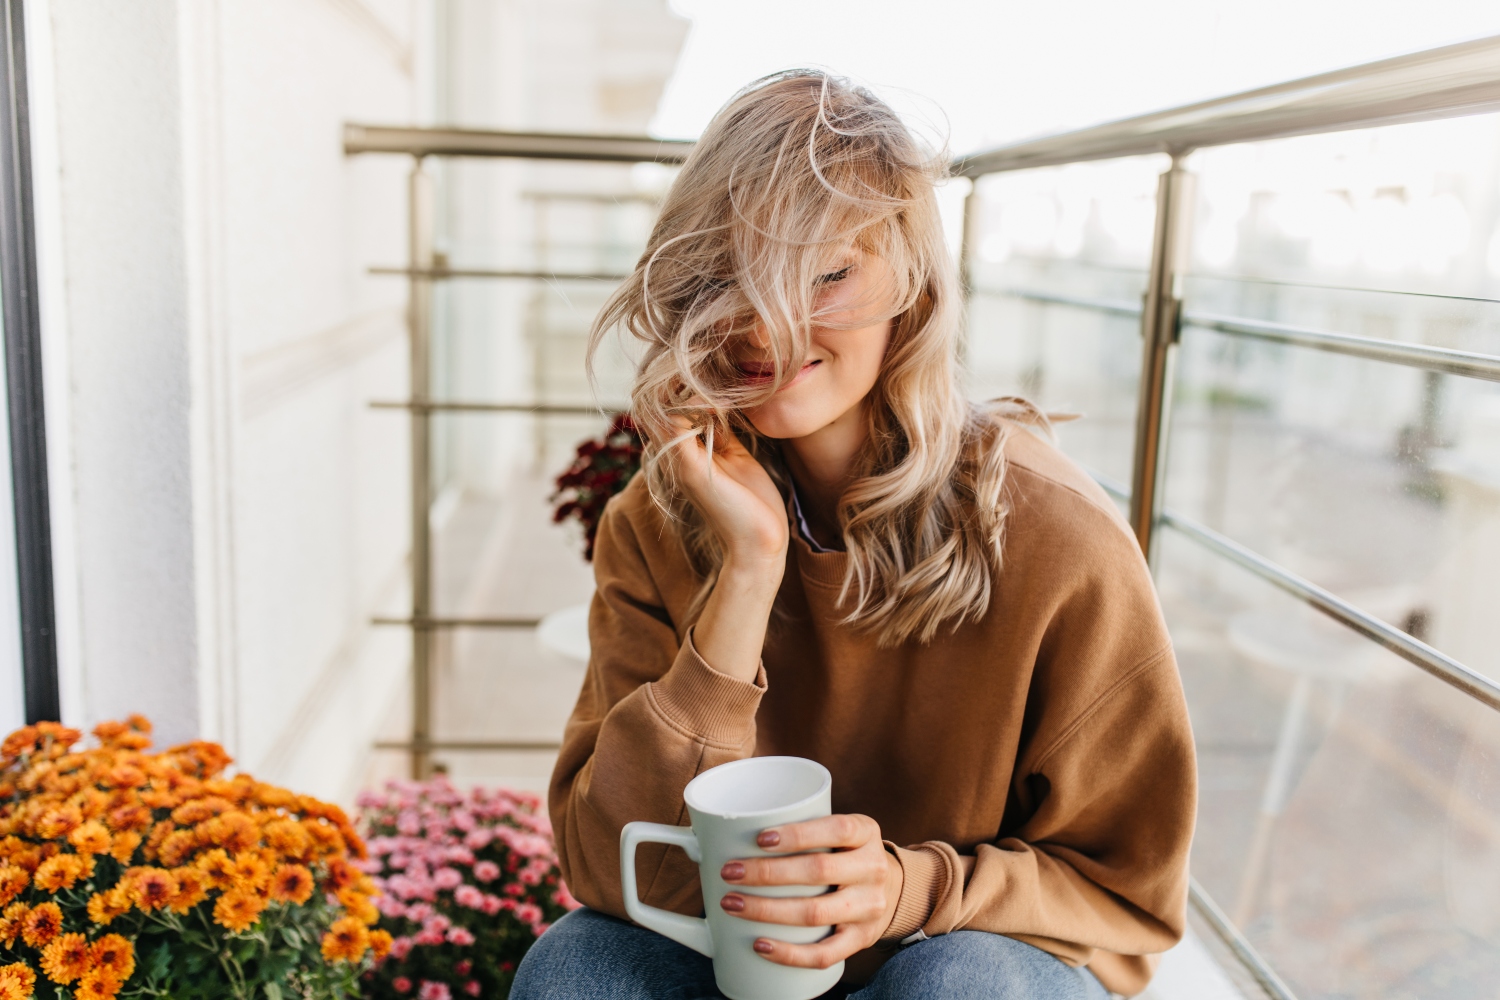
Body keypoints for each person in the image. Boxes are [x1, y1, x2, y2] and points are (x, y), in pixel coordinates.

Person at [512, 70, 1196, 1000]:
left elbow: (1128, 898)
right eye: (728, 274)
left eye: (826, 272)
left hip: (964, 959)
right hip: (747, 968)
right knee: (579, 970)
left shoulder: (1057, 540)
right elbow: (608, 867)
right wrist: (748, 574)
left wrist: (910, 891)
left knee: (960, 986)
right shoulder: (657, 522)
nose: (766, 321)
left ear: (910, 280)